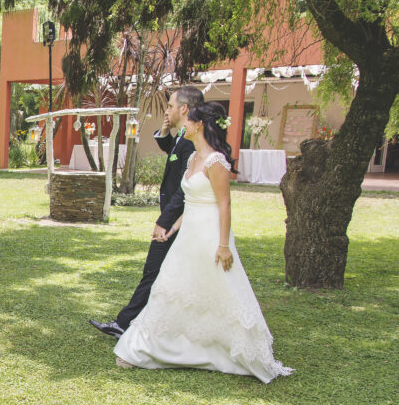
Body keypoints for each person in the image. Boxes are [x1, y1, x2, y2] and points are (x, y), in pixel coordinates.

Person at [113, 103, 292, 383]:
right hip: (188, 235)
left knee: (218, 290)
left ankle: (224, 349)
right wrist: (171, 229)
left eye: (188, 121)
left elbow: (224, 204)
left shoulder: (216, 161)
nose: (184, 125)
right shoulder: (193, 158)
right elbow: (192, 202)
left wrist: (224, 245)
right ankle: (150, 347)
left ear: (199, 125)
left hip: (210, 236)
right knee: (172, 287)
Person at [90, 86, 204, 339]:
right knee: (162, 273)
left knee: (156, 271)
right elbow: (173, 154)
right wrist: (164, 133)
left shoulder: (192, 142)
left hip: (178, 220)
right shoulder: (183, 137)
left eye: (170, 106)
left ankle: (127, 324)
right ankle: (131, 323)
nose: (167, 110)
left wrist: (164, 221)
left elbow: (184, 189)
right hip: (175, 217)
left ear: (184, 108)